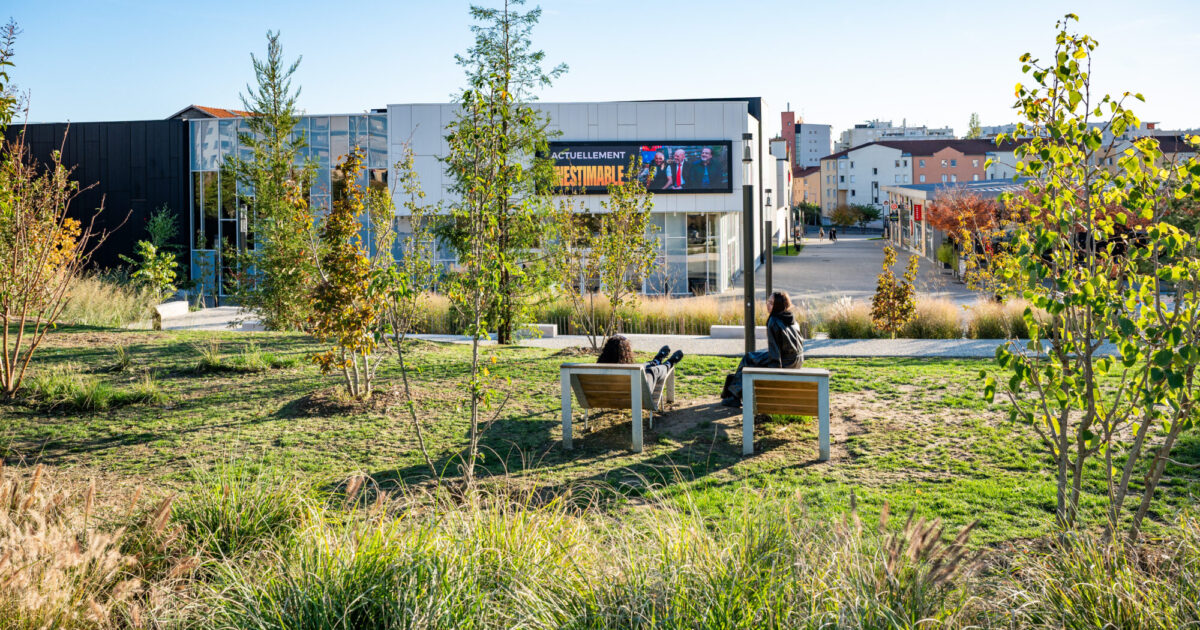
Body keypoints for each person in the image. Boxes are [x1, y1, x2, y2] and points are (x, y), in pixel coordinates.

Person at [720, 291, 805, 407]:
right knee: (753, 357)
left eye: (771, 302)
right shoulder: (791, 318)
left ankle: (734, 396)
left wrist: (773, 375)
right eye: (768, 301)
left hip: (784, 362)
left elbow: (774, 351)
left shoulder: (774, 321)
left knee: (748, 358)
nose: (767, 304)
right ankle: (731, 391)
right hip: (796, 361)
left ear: (778, 305)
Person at [598, 335, 684, 394]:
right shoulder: (629, 371)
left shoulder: (596, 369)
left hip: (606, 398)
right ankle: (668, 364)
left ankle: (655, 361)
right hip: (637, 397)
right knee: (653, 371)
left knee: (642, 366)